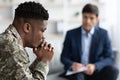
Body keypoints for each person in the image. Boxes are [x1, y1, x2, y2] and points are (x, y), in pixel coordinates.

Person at [60, 3, 119, 80]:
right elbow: (63, 57)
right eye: (85, 17)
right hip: (77, 71)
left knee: (114, 70)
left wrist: (95, 66)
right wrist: (72, 65)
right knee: (79, 77)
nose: (87, 21)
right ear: (82, 17)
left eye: (91, 18)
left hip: (95, 70)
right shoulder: (71, 34)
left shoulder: (104, 34)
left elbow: (110, 58)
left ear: (97, 19)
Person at [0, 1, 54, 80]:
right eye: (42, 31)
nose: (43, 37)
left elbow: (24, 75)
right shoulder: (13, 49)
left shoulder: (8, 41)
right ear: (27, 28)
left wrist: (39, 59)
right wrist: (45, 61)